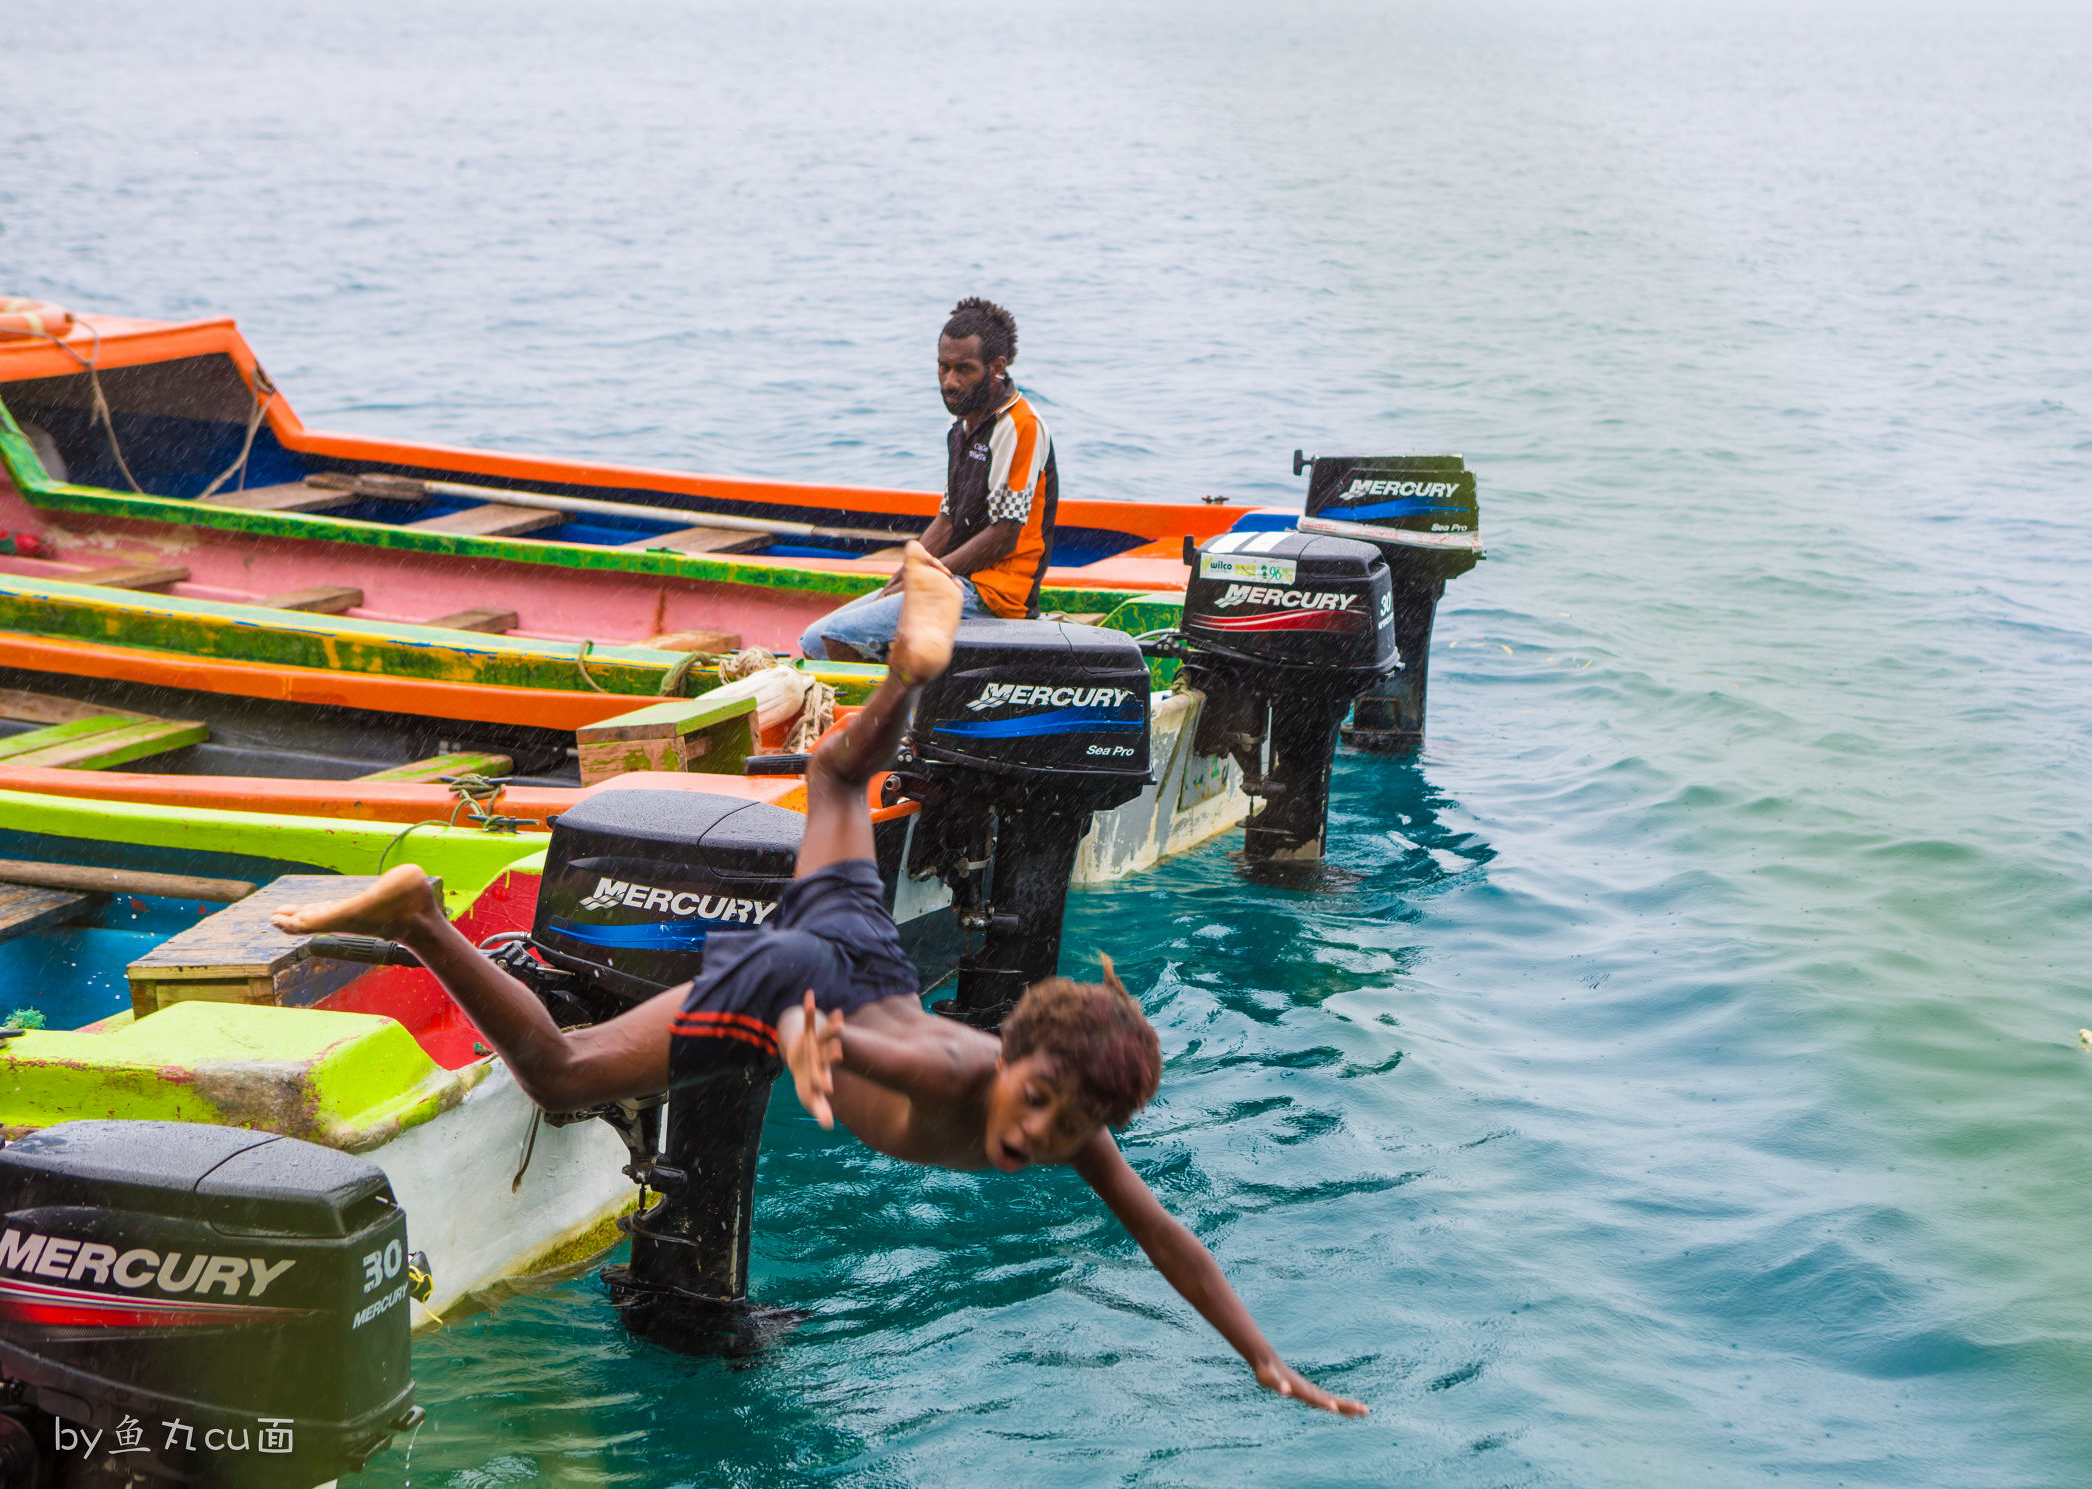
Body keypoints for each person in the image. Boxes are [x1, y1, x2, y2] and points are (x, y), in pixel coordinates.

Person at [270, 543, 1363, 1419]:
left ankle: (912, 669)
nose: (1039, 1133)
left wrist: (1264, 1359)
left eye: (1069, 1122)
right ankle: (419, 914)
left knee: (837, 772)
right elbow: (837, 1042)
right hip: (804, 979)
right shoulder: (944, 1074)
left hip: (865, 956)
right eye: (1038, 1100)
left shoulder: (1071, 1128)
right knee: (565, 1073)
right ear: (1014, 1059)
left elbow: (1169, 1239)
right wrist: (800, 1053)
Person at [806, 297, 1058, 663]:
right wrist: (901, 577)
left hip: (993, 597)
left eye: (964, 370)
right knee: (816, 641)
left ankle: (894, 715)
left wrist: (931, 575)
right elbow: (949, 519)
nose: (950, 382)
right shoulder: (962, 428)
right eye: (943, 368)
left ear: (997, 368)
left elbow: (1006, 533)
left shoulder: (1020, 426)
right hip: (954, 580)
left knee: (842, 638)